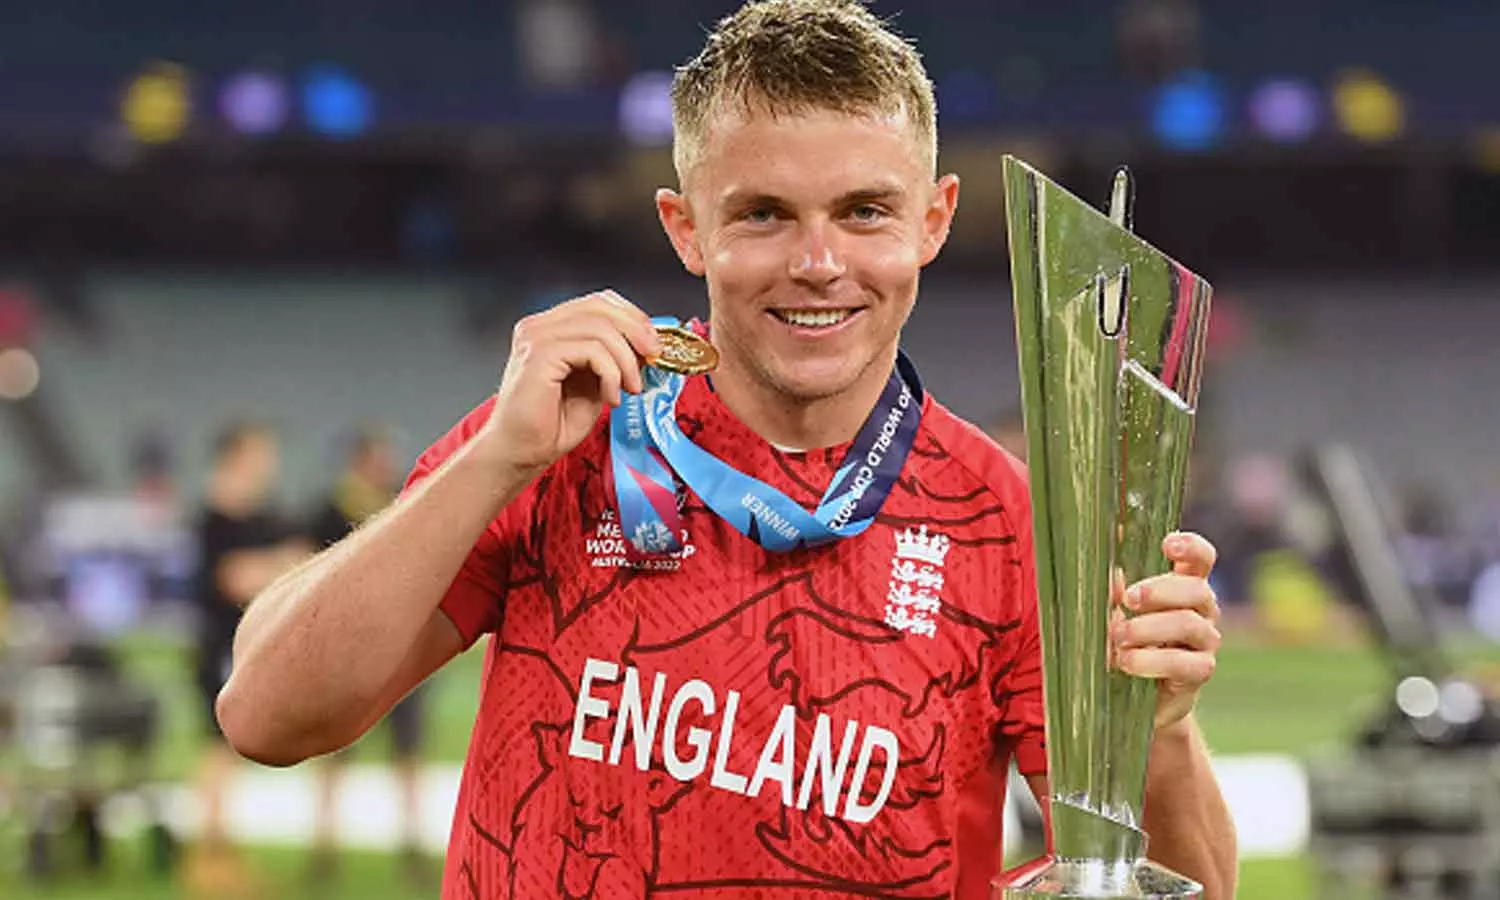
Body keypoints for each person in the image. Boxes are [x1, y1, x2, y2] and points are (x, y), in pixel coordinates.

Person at [216, 2, 1238, 898]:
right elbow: (266, 716)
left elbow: (1179, 889)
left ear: (933, 221)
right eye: (763, 215)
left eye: (865, 211)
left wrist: (1157, 731)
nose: (819, 263)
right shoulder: (566, 433)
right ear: (685, 229)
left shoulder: (1010, 522)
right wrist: (492, 463)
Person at [305, 426, 432, 884]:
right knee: (335, 754)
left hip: (403, 646)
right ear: (359, 461)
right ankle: (324, 847)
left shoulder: (403, 500)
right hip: (349, 648)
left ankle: (411, 844)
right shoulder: (330, 511)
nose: (387, 465)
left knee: (407, 754)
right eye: (380, 457)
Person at [185, 421, 306, 894]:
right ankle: (209, 856)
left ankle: (221, 852)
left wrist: (272, 565)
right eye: (260, 452)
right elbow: (235, 578)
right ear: (236, 455)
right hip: (220, 644)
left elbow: (299, 557)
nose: (269, 463)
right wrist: (278, 564)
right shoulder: (216, 517)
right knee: (219, 748)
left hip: (248, 643)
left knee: (230, 752)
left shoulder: (264, 512)